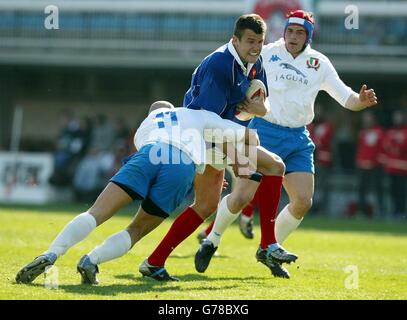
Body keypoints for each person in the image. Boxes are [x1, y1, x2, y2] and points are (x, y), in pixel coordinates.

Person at [194, 10, 378, 276]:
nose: (293, 36)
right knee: (242, 196)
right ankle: (212, 239)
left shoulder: (319, 63)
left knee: (303, 200)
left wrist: (360, 101)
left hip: (298, 139)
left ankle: (269, 249)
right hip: (261, 132)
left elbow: (346, 98)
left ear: (308, 36)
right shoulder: (266, 52)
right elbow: (235, 70)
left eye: (300, 32)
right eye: (290, 31)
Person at [15, 101, 255, 285]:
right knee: (136, 229)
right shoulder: (193, 114)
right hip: (182, 165)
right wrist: (242, 162)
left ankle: (51, 253)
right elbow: (248, 135)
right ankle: (92, 260)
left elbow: (157, 158)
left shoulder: (145, 126)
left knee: (95, 212)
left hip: (149, 154)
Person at [139, 13, 296, 281]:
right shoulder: (220, 64)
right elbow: (207, 121)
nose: (256, 47)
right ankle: (268, 246)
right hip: (204, 137)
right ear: (235, 40)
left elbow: (263, 102)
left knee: (207, 204)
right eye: (249, 41)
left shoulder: (254, 61)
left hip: (225, 136)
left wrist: (260, 108)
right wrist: (235, 156)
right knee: (274, 166)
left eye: (259, 41)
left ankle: (154, 262)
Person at [355, 111, 385, 217]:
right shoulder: (362, 132)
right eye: (365, 117)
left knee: (378, 189)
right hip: (362, 166)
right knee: (362, 190)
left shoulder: (379, 132)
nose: (366, 120)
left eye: (368, 117)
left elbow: (382, 149)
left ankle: (381, 211)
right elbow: (360, 148)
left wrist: (377, 162)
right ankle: (362, 212)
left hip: (375, 167)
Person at [381, 109, 407, 218]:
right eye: (395, 117)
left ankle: (401, 212)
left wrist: (394, 146)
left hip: (403, 168)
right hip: (391, 168)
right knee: (393, 191)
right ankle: (395, 211)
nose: (397, 119)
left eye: (399, 116)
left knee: (402, 192)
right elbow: (385, 145)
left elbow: (403, 147)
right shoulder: (391, 131)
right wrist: (394, 146)